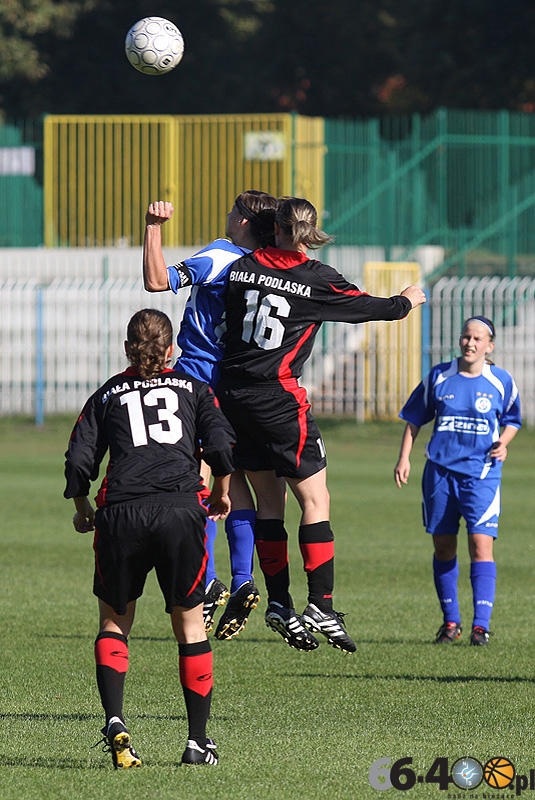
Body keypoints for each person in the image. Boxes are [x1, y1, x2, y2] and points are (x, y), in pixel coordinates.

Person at [217, 196, 426, 653]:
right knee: (315, 498)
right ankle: (321, 605)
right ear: (311, 233)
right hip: (278, 400)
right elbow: (373, 307)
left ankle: (278, 602)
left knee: (270, 504)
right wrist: (407, 301)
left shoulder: (240, 268)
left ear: (273, 228)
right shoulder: (315, 279)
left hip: (231, 398)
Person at [64, 309, 235, 768]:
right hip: (180, 510)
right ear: (173, 350)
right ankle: (198, 743)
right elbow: (220, 445)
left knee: (115, 623)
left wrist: (82, 508)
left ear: (126, 349)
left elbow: (79, 457)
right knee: (191, 626)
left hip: (121, 511)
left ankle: (116, 722)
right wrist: (220, 492)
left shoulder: (107, 393)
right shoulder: (197, 390)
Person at [143, 192, 285, 641]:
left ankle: (207, 580)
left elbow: (156, 281)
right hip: (245, 385)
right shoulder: (267, 264)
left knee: (195, 482)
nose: (226, 215)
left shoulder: (220, 254)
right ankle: (243, 577)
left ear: (242, 221)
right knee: (235, 480)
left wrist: (152, 227)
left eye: (231, 210)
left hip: (198, 380)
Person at [394, 316, 521, 645]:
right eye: (466, 336)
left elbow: (512, 419)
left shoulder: (501, 381)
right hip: (439, 473)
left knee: (481, 546)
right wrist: (404, 457)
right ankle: (451, 622)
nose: (470, 343)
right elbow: (414, 418)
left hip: (481, 475)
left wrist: (503, 444)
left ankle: (481, 626)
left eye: (478, 338)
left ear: (489, 346)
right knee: (443, 546)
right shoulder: (439, 376)